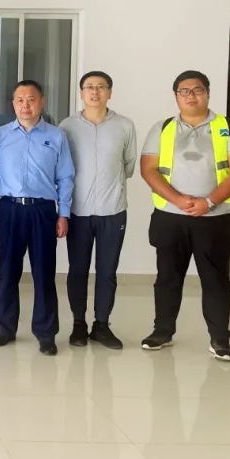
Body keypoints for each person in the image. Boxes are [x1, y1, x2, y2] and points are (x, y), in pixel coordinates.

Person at [139, 70, 230, 361]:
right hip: (169, 217)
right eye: (184, 91)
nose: (191, 96)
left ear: (208, 93)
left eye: (197, 90)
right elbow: (148, 170)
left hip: (214, 218)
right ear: (176, 96)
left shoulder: (229, 127)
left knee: (215, 279)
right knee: (167, 277)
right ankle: (162, 332)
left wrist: (209, 202)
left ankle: (220, 340)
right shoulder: (162, 128)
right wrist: (178, 199)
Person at [0, 80, 74, 356]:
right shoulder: (0, 136)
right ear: (13, 104)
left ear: (41, 102)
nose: (26, 105)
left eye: (31, 99)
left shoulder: (56, 137)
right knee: (8, 271)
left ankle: (46, 334)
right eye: (20, 100)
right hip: (9, 210)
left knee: (44, 273)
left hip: (43, 211)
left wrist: (64, 213)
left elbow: (66, 177)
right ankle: (5, 329)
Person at [58, 71, 137, 350]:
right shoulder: (67, 126)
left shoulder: (125, 125)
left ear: (110, 93)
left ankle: (102, 325)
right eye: (89, 87)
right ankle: (79, 324)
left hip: (112, 210)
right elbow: (61, 168)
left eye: (101, 87)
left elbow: (129, 166)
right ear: (81, 93)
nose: (95, 92)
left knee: (107, 271)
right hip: (77, 211)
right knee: (77, 270)